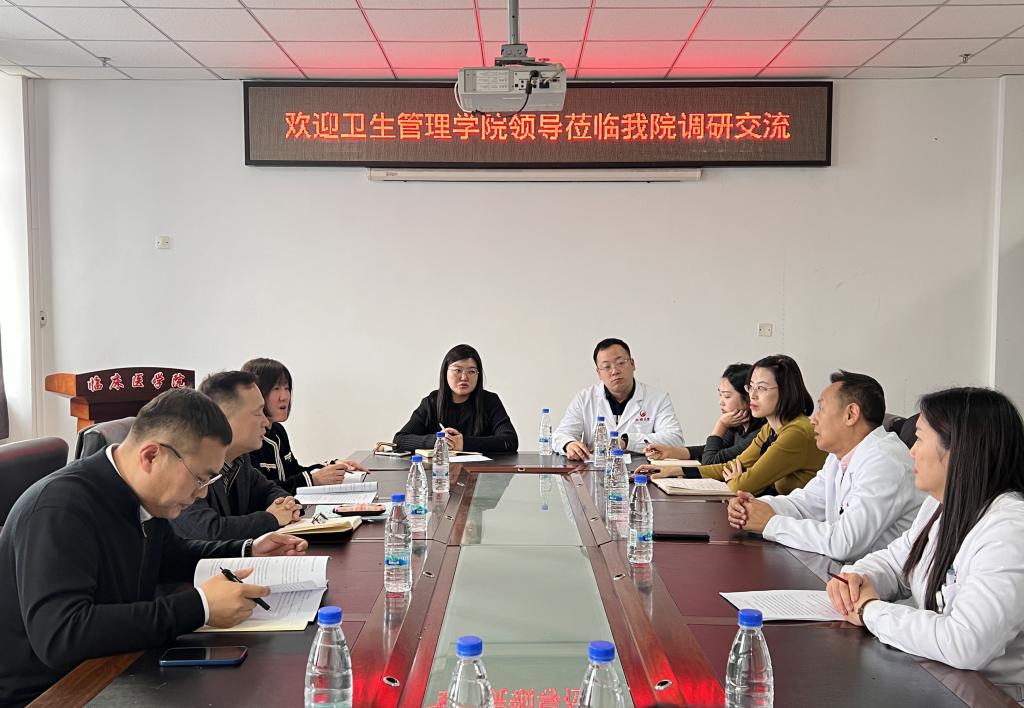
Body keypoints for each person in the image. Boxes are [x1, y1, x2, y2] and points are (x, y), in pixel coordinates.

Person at [0, 388, 308, 706]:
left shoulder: (142, 496)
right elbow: (61, 636)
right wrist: (200, 606)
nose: (202, 494)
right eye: (199, 478)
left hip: (116, 664)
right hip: (55, 693)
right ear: (151, 456)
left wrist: (248, 549)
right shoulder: (59, 508)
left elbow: (170, 557)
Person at [827, 388, 1024, 701]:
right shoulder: (940, 504)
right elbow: (896, 562)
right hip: (938, 680)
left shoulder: (1010, 529)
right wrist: (858, 578)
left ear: (959, 449)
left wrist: (869, 611)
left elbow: (966, 642)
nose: (911, 452)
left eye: (919, 439)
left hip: (990, 696)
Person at [727, 371, 923, 561]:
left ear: (851, 414)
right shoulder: (840, 457)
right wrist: (755, 507)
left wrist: (770, 523)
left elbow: (845, 543)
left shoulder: (885, 461)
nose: (813, 419)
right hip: (849, 573)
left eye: (821, 408)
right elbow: (806, 504)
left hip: (881, 581)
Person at [643, 354, 824, 495]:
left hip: (803, 522)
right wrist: (674, 470)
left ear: (786, 391)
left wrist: (737, 479)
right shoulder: (771, 428)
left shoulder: (796, 432)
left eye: (761, 388)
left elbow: (745, 484)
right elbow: (735, 465)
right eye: (750, 387)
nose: (752, 395)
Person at [172, 371, 302, 541]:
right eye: (258, 413)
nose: (266, 422)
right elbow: (207, 531)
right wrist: (271, 518)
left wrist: (286, 505)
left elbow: (269, 490)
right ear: (222, 417)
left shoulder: (239, 460)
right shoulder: (186, 464)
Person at [242, 357, 367, 493]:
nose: (284, 397)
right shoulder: (248, 440)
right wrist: (312, 480)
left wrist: (331, 468)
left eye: (287, 388)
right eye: (276, 388)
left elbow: (293, 472)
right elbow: (263, 491)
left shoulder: (278, 431)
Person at [552, 338, 684, 460]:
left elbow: (675, 439)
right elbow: (560, 435)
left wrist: (627, 441)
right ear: (599, 373)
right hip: (596, 470)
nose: (614, 371)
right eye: (606, 367)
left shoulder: (658, 398)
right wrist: (569, 444)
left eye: (620, 363)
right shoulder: (584, 399)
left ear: (632, 364)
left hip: (643, 471)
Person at [393, 344, 518, 454]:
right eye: (458, 370)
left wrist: (464, 443)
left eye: (471, 371)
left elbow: (510, 441)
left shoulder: (490, 401)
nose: (464, 377)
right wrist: (438, 440)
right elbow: (399, 440)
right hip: (439, 471)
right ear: (445, 372)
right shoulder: (431, 402)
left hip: (479, 472)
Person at [644, 363, 763, 465]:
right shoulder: (738, 425)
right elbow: (708, 451)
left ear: (749, 397)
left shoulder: (760, 433)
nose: (721, 402)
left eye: (727, 396)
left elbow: (709, 462)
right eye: (720, 395)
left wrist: (721, 425)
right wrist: (670, 451)